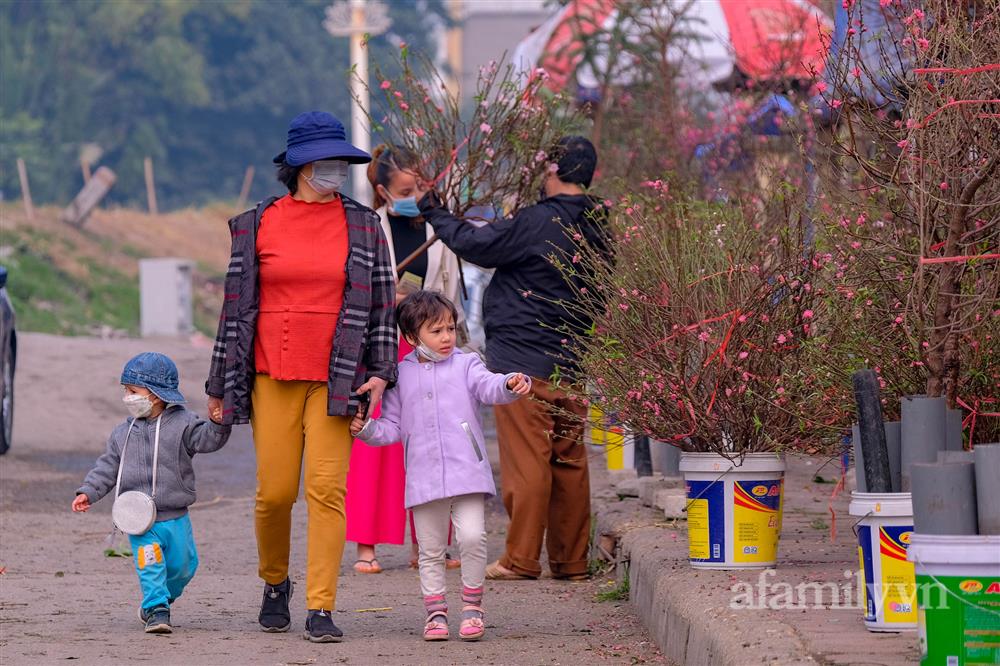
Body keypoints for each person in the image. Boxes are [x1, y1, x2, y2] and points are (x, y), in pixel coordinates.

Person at [205, 111, 397, 643]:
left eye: (340, 160)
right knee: (274, 493)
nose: (335, 169)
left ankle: (320, 606)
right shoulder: (256, 223)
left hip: (339, 378)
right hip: (271, 373)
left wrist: (381, 373)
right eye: (326, 160)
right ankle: (274, 583)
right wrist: (218, 384)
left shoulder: (364, 224)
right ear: (298, 165)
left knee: (327, 490)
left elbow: (382, 305)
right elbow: (233, 310)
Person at [414, 136, 610, 581]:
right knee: (569, 459)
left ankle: (520, 559)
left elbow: (477, 244)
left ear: (554, 170)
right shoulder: (599, 223)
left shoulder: (539, 220)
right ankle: (570, 560)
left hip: (523, 357)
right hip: (572, 357)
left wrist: (434, 210)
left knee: (527, 461)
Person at [350, 291, 531, 641]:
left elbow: (489, 386)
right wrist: (367, 430)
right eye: (437, 331)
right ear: (411, 336)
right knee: (430, 550)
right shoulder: (399, 376)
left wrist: (509, 383)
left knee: (472, 537)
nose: (447, 337)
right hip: (423, 474)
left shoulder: (466, 363)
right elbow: (391, 427)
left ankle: (473, 608)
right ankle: (435, 614)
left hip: (468, 470)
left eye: (450, 328)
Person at [345, 145, 466, 574]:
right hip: (380, 344)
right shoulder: (365, 227)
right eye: (405, 189)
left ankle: (429, 545)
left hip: (427, 348)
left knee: (432, 442)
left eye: (420, 186)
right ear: (382, 190)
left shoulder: (439, 227)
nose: (415, 194)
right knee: (374, 445)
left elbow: (451, 288)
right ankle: (366, 545)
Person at [72, 352, 231, 634]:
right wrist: (88, 491)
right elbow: (107, 466)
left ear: (156, 394)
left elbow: (207, 440)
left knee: (184, 567)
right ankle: (157, 609)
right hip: (138, 519)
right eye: (126, 391)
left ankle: (158, 600)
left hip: (175, 516)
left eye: (133, 391)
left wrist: (219, 424)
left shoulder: (183, 424)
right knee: (151, 566)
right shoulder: (123, 432)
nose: (127, 397)